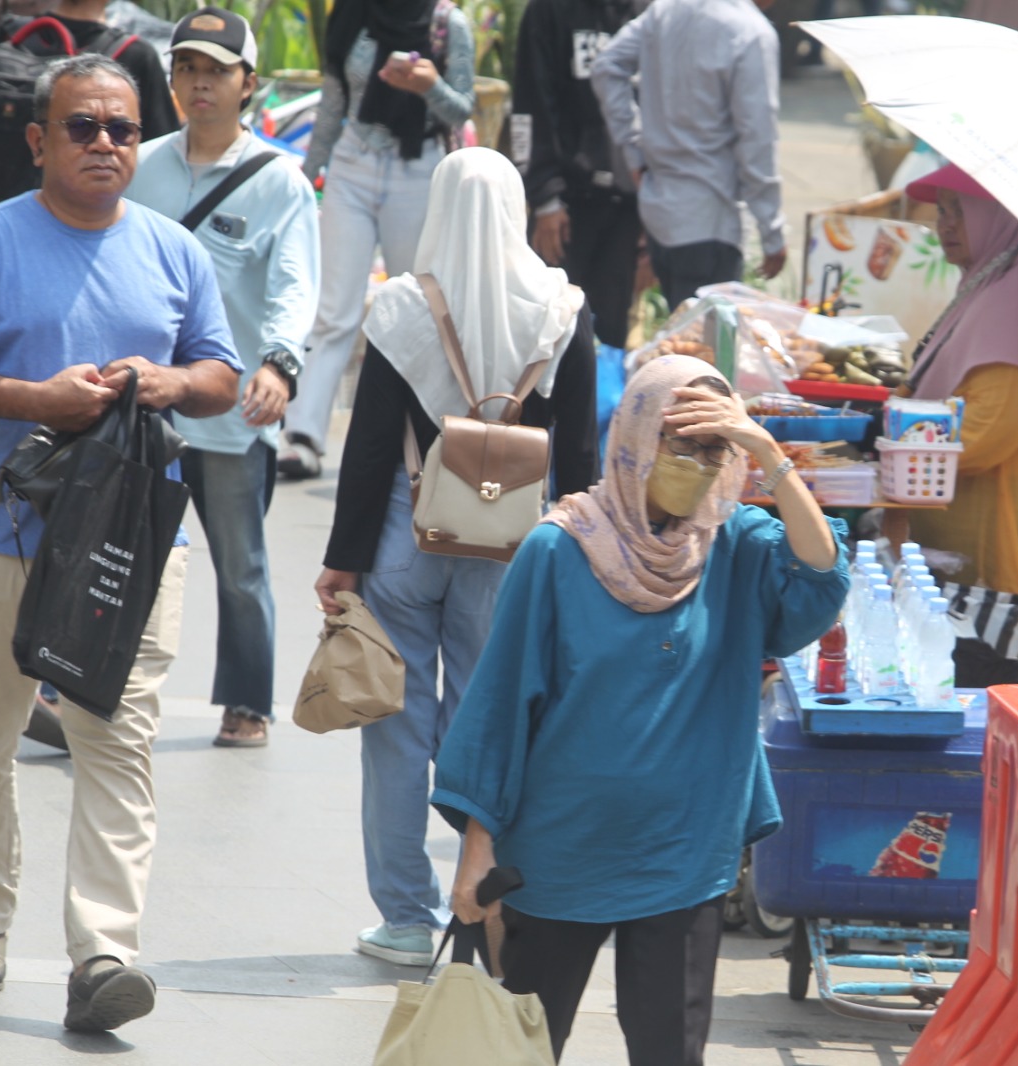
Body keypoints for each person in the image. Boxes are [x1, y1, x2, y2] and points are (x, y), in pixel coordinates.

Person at [432, 354, 847, 1064]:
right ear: (633, 441)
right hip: (559, 854)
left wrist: (766, 452)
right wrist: (476, 848)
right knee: (523, 1048)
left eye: (711, 449)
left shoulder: (735, 545)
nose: (695, 464)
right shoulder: (557, 551)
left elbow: (820, 574)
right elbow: (501, 705)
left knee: (669, 1051)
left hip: (684, 854)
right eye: (677, 446)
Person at [0, 55, 239, 1030]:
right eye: (83, 127)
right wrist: (32, 399)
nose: (105, 145)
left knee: (116, 744)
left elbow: (221, 375)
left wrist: (165, 384)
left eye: (122, 129)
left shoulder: (172, 251)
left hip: (126, 542)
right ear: (39, 140)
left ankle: (104, 953)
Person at [314, 147, 596, 967]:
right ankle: (480, 903)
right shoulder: (561, 308)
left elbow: (367, 450)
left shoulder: (402, 306)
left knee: (396, 728)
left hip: (407, 529)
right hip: (515, 548)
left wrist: (343, 562)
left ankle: (405, 917)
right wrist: (576, 558)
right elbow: (577, 449)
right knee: (492, 718)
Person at [127, 7, 320, 748]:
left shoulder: (280, 182)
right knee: (120, 546)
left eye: (216, 72)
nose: (199, 84)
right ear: (171, 80)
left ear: (250, 85)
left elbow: (294, 288)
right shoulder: (140, 167)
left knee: (240, 566)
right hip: (144, 405)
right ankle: (92, 680)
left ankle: (248, 702)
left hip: (234, 410)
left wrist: (279, 363)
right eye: (187, 69)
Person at [278, 0, 475, 480]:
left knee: (417, 309)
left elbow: (463, 107)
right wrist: (307, 179)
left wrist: (430, 85)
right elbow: (333, 100)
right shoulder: (353, 12)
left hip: (418, 167)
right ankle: (302, 436)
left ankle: (415, 436)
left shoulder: (449, 24)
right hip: (354, 161)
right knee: (334, 309)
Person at [899, 163, 1018, 612]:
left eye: (959, 211)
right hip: (965, 557)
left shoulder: (1017, 303)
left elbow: (987, 432)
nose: (943, 223)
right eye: (942, 210)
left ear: (997, 216)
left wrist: (893, 436)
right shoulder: (991, 283)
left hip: (997, 564)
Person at [592, 0, 788, 309]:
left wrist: (635, 151)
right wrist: (772, 232)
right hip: (709, 221)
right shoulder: (751, 33)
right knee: (704, 350)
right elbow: (757, 140)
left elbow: (606, 66)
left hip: (662, 216)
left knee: (683, 343)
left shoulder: (666, 10)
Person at [0, 0, 179, 216]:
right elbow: (161, 161)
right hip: (79, 224)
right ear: (36, 140)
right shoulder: (135, 55)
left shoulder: (3, 35)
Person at [511, 0, 645, 350]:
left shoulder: (649, 10)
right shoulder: (549, 10)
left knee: (611, 333)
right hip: (565, 205)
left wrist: (654, 210)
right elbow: (530, 102)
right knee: (546, 329)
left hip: (626, 203)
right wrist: (544, 197)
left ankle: (598, 406)